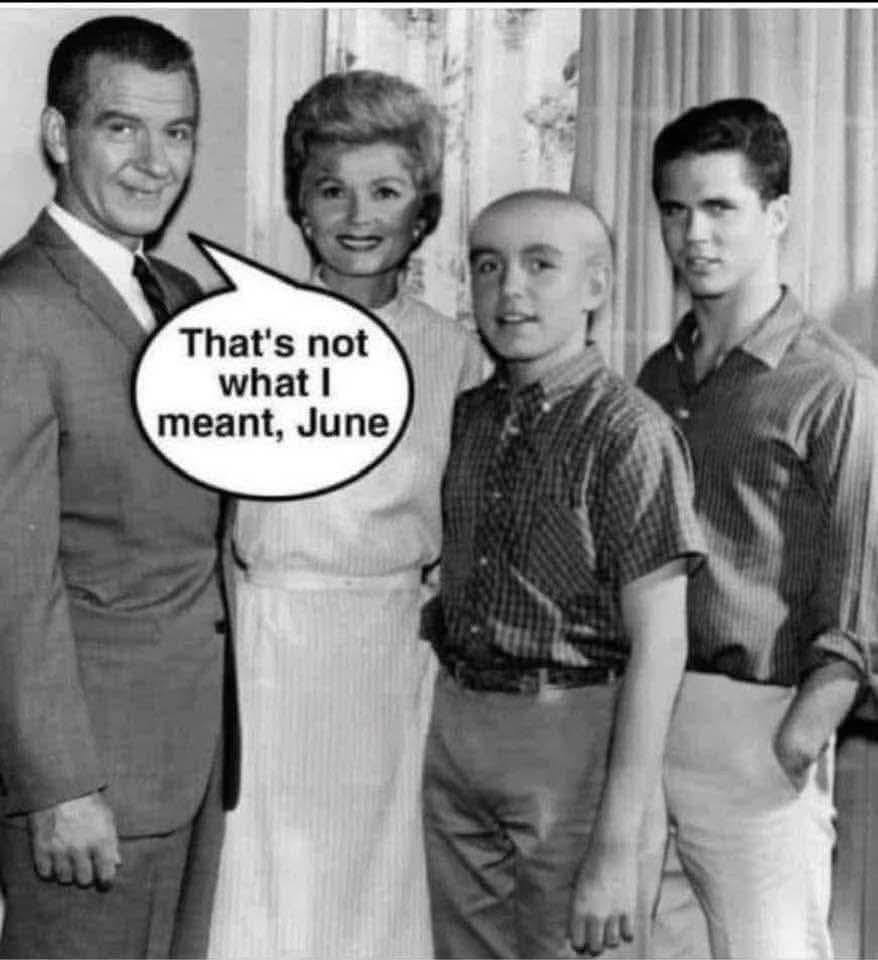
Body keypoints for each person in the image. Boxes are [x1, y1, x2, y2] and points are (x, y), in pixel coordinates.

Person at [208, 70, 485, 959]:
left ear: (423, 210)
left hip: (391, 659)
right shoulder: (235, 335)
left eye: (386, 192)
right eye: (332, 190)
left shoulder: (457, 358)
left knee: (375, 901)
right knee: (263, 897)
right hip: (266, 653)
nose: (358, 217)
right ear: (301, 205)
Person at [0, 15, 238, 960]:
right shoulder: (15, 311)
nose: (155, 162)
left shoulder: (185, 296)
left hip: (190, 758)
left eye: (176, 132)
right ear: (59, 136)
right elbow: (13, 581)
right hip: (87, 786)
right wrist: (59, 784)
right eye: (121, 128)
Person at [421, 188, 704, 959]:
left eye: (540, 265)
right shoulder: (467, 417)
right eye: (488, 266)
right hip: (459, 725)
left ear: (596, 285)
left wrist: (616, 845)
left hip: (574, 733)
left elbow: (662, 644)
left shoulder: (629, 432)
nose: (510, 289)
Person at [638, 97, 878, 959]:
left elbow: (863, 575)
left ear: (776, 215)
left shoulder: (835, 384)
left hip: (761, 724)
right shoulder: (657, 374)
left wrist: (800, 733)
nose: (693, 234)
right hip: (648, 715)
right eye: (675, 210)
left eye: (720, 207)